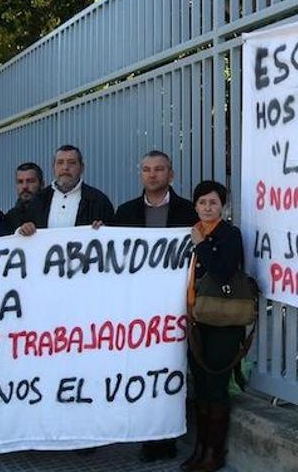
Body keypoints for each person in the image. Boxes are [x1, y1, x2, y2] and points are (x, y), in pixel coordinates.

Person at [113, 150, 197, 463]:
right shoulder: (125, 212)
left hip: (177, 305)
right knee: (143, 370)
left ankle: (167, 437)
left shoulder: (189, 211)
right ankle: (148, 437)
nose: (152, 175)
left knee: (171, 368)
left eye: (159, 169)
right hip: (138, 306)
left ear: (170, 175)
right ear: (141, 175)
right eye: (146, 169)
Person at [182, 180, 245, 472]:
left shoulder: (229, 234)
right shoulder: (190, 232)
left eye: (213, 203)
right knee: (201, 387)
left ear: (223, 206)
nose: (207, 208)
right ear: (195, 205)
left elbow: (222, 271)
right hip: (195, 319)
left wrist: (202, 244)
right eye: (202, 203)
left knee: (217, 386)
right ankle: (200, 448)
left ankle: (214, 454)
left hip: (221, 322)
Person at [17, 144, 114, 235]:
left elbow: (113, 238)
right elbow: (21, 236)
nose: (65, 168)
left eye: (72, 163)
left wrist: (104, 231)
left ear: (82, 168)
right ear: (53, 168)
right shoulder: (38, 201)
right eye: (60, 163)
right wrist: (24, 230)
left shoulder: (99, 201)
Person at [5, 162, 44, 231]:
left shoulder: (51, 212)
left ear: (42, 184)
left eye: (30, 181)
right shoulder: (10, 217)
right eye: (20, 182)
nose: (24, 186)